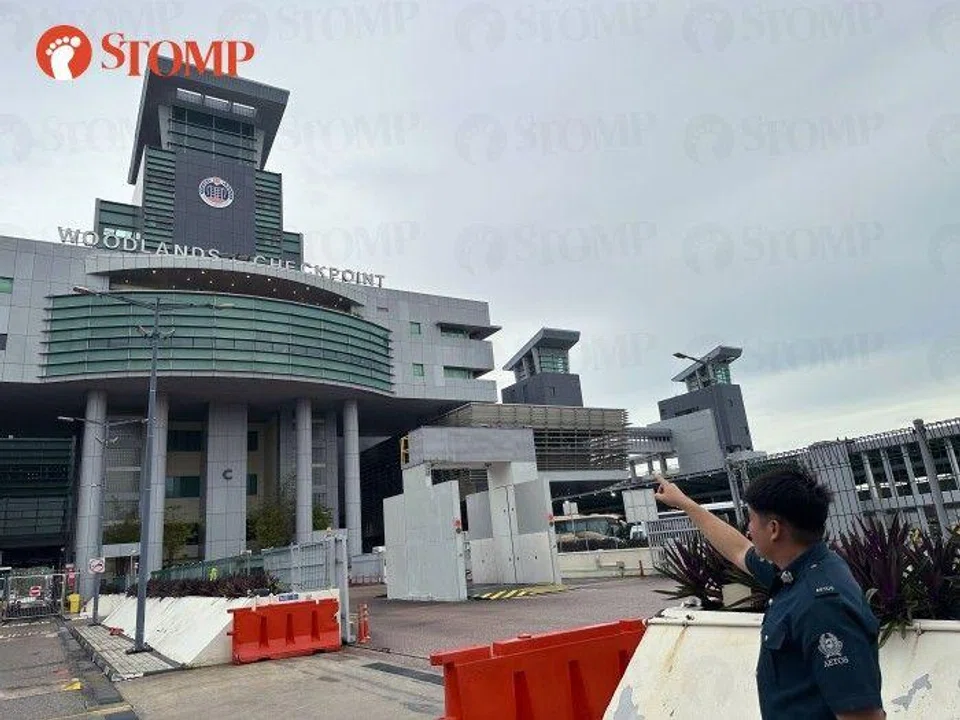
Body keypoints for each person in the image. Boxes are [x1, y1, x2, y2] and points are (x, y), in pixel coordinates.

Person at [654, 467, 886, 719]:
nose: (748, 530)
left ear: (774, 529)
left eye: (751, 519)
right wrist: (684, 503)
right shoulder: (796, 569)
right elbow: (738, 549)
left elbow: (862, 716)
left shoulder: (821, 605)